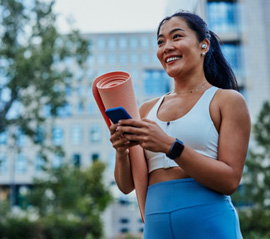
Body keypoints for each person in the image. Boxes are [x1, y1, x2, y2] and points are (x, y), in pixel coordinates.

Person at [109, 10, 251, 239]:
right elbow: (126, 186)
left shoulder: (227, 101)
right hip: (156, 228)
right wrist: (121, 152)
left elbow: (230, 180)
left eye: (176, 37)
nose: (167, 47)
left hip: (210, 224)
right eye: (160, 41)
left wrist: (170, 145)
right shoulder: (146, 110)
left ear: (204, 45)